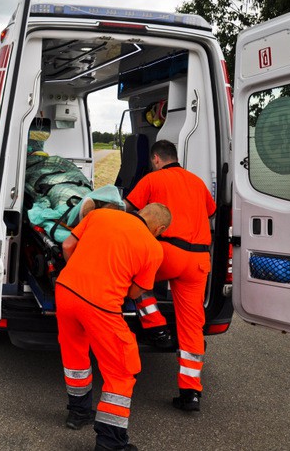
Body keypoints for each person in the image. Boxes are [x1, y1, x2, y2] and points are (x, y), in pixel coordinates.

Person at [56, 203, 171, 451]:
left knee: (75, 355)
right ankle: (110, 442)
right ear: (159, 228)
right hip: (100, 305)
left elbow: (67, 245)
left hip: (65, 291)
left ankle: (78, 414)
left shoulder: (100, 214)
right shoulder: (153, 247)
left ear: (141, 213)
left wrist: (79, 272)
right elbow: (136, 291)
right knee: (122, 370)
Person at [124, 140, 217, 412]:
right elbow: (211, 212)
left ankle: (157, 328)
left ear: (155, 158)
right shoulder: (197, 182)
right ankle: (191, 394)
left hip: (168, 252)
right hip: (199, 260)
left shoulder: (153, 179)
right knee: (192, 326)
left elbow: (129, 210)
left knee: (136, 277)